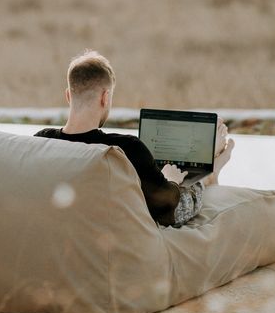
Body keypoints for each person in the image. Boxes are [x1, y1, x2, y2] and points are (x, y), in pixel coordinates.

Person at [35, 50, 235, 227]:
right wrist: (174, 181)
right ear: (105, 97)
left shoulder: (41, 142)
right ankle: (211, 173)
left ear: (69, 96)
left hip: (63, 233)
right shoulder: (125, 149)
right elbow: (173, 212)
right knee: (191, 190)